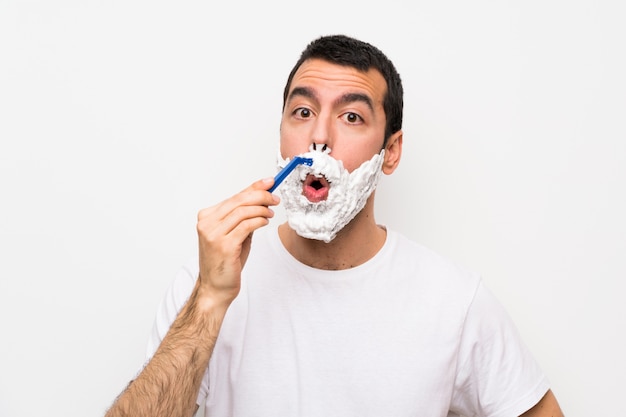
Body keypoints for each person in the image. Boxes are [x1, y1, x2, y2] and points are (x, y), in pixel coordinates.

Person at [105, 35, 564, 417]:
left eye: (351, 117)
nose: (318, 137)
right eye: (302, 112)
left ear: (392, 151)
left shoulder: (454, 301)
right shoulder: (206, 282)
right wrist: (208, 300)